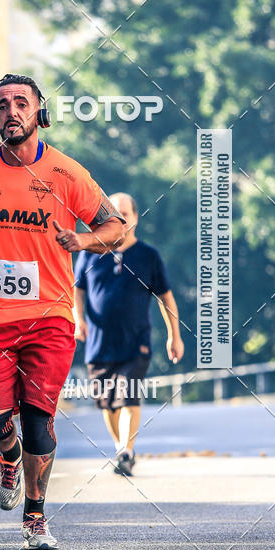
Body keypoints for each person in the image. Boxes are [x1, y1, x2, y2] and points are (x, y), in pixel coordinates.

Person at [0, 73, 124, 549]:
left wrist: (82, 239)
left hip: (51, 316)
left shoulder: (67, 173)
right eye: (2, 105)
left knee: (40, 421)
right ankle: (8, 456)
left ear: (40, 114)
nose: (11, 111)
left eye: (22, 103)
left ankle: (35, 516)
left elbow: (115, 227)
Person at [74, 192, 184, 476]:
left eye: (125, 214)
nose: (120, 219)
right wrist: (78, 319)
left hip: (136, 343)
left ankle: (127, 450)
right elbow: (78, 289)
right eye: (114, 213)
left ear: (135, 218)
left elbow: (166, 299)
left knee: (128, 396)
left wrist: (174, 335)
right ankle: (120, 447)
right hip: (99, 344)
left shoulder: (148, 256)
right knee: (108, 404)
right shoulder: (90, 252)